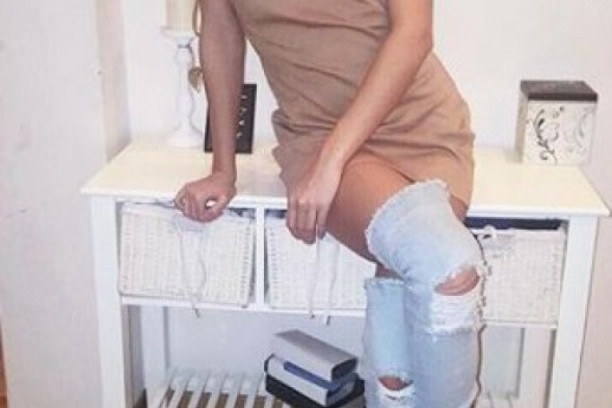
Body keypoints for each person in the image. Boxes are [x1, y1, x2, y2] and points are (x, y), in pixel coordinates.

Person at [174, 0, 485, 406]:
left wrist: (330, 165)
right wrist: (222, 169)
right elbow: (220, 34)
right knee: (443, 266)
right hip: (317, 133)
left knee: (429, 286)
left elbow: (413, 34)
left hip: (421, 127)